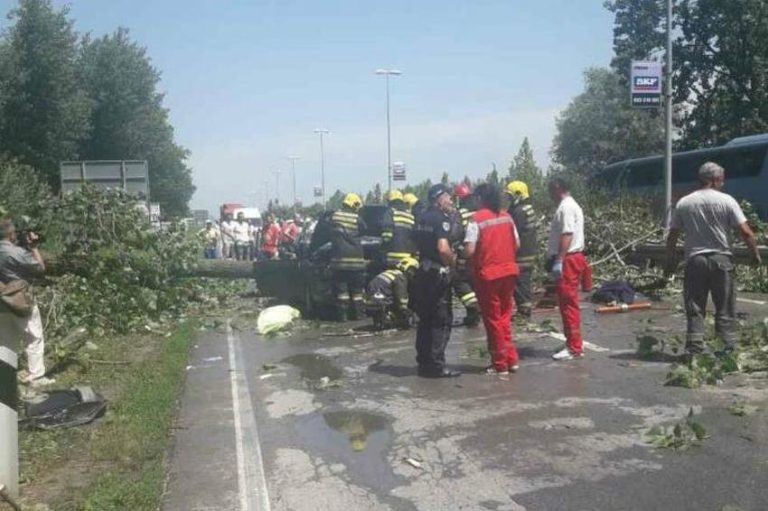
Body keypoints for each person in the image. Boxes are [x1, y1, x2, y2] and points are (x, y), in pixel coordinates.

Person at [665, 162, 761, 356]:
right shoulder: (727, 201)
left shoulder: (685, 202)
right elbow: (746, 232)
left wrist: (670, 260)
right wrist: (755, 255)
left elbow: (673, 235)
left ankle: (694, 350)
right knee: (725, 307)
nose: (723, 184)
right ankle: (725, 351)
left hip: (695, 260)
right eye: (721, 180)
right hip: (721, 260)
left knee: (695, 307)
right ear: (715, 179)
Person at [464, 184, 520, 375]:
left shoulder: (475, 220)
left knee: (493, 319)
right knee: (505, 316)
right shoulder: (507, 217)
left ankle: (500, 363)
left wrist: (462, 258)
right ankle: (511, 359)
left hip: (488, 275)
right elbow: (517, 243)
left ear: (481, 198)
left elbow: (470, 250)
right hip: (509, 271)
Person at [412, 184, 461, 378]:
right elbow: (443, 248)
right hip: (436, 274)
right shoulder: (441, 219)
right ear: (439, 199)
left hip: (422, 273)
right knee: (440, 320)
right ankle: (436, 366)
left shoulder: (420, 218)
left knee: (424, 320)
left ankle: (423, 363)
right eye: (448, 197)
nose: (450, 201)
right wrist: (453, 265)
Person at [0, 218, 52, 385]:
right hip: (19, 298)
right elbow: (39, 268)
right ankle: (36, 375)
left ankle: (6, 373)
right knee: (33, 336)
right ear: (10, 233)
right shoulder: (16, 253)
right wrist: (33, 247)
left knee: (5, 339)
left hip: (2, 299)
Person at [546, 177, 591, 361]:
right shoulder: (571, 205)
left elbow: (567, 234)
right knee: (566, 303)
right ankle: (571, 341)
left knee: (568, 304)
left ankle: (574, 347)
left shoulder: (566, 207)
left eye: (550, 190)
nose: (549, 195)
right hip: (572, 258)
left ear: (557, 188)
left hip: (569, 259)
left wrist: (559, 259)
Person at [329, 193, 368, 321]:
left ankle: (342, 317)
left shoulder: (335, 216)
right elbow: (365, 229)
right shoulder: (357, 218)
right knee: (357, 292)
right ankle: (359, 315)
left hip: (339, 263)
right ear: (354, 205)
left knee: (342, 292)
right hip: (357, 262)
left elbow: (329, 229)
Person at [506, 181, 539, 322]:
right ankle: (524, 309)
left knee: (521, 283)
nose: (509, 200)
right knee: (524, 281)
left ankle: (524, 311)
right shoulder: (528, 208)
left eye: (510, 196)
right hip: (529, 251)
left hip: (522, 254)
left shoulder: (519, 212)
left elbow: (513, 233)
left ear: (518, 195)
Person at [451, 183, 481, 327]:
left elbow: (454, 234)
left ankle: (472, 308)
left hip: (466, 252)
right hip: (482, 255)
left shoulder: (460, 213)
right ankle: (477, 312)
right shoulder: (481, 211)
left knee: (459, 281)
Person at [365, 256, 418, 330]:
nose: (413, 275)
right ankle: (389, 319)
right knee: (403, 310)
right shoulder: (400, 277)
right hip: (382, 305)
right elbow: (401, 299)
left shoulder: (389, 272)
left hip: (370, 304)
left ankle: (380, 321)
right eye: (413, 271)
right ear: (409, 269)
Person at [381, 190, 418, 269]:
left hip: (393, 258)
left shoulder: (390, 212)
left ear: (390, 201)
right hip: (408, 258)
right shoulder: (410, 215)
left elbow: (387, 236)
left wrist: (383, 246)